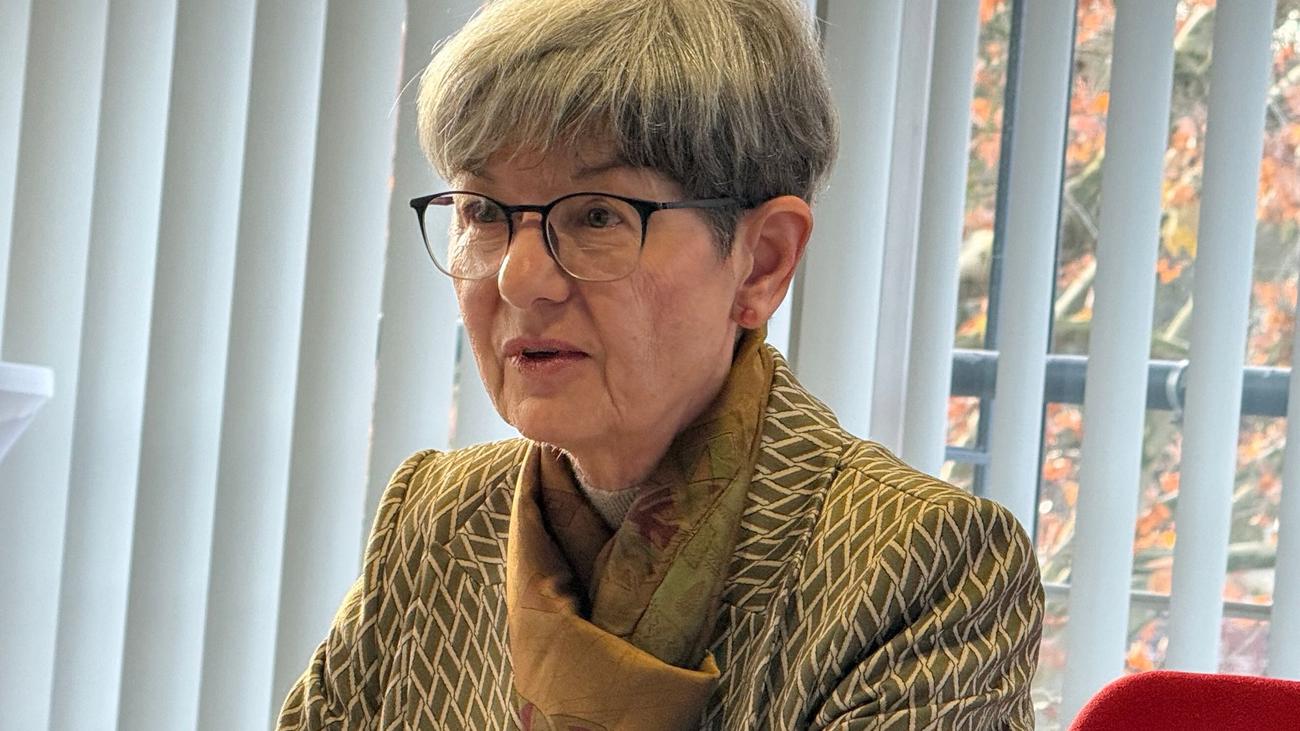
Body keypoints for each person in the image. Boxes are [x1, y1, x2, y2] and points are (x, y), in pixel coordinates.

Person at [277, 0, 1043, 728]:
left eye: (597, 216)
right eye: (482, 212)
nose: (518, 278)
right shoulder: (434, 519)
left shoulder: (918, 565)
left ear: (762, 262)